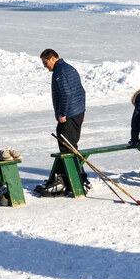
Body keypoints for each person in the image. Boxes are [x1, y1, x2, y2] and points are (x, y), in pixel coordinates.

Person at [37, 49, 87, 195]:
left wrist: (62, 113)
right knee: (72, 146)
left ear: (52, 58)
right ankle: (76, 177)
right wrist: (82, 111)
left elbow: (66, 94)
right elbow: (81, 92)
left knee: (67, 148)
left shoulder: (60, 72)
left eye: (45, 62)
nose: (45, 66)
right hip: (77, 112)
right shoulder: (70, 68)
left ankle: (77, 181)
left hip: (69, 114)